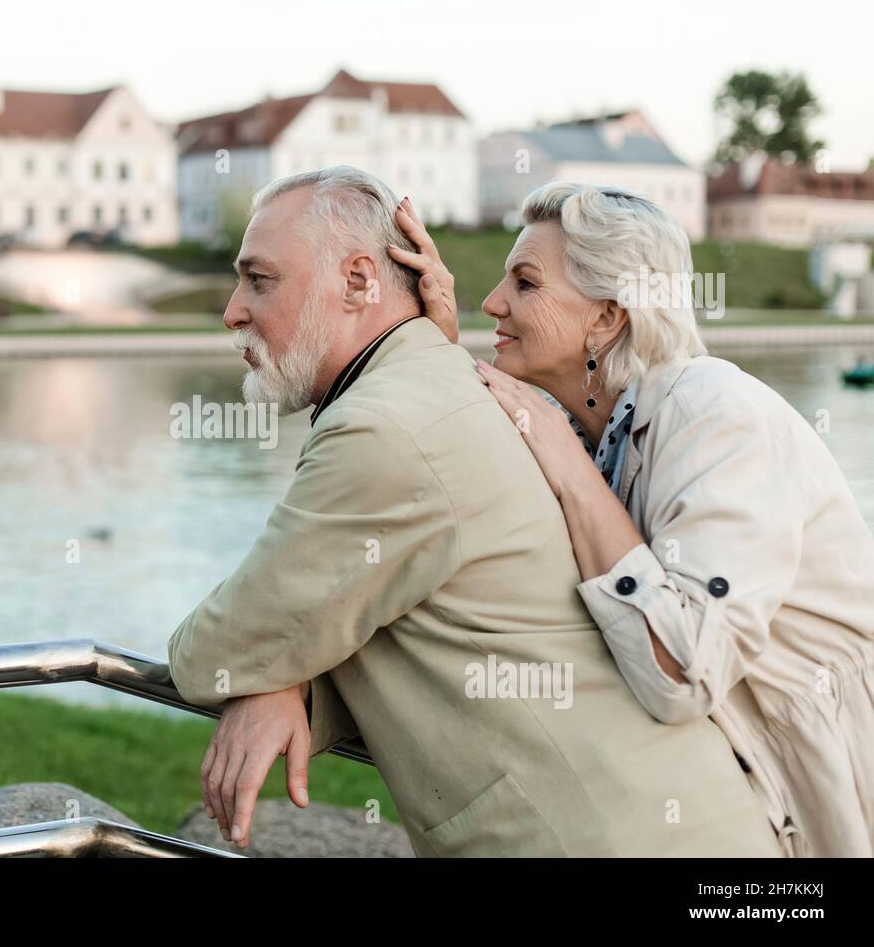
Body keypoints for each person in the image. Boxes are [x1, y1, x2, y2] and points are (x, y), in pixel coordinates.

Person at [166, 166, 781, 857]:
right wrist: (281, 673)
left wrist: (269, 669)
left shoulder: (388, 424)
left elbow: (213, 652)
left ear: (362, 281)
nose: (233, 310)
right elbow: (359, 611)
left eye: (259, 279)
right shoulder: (446, 390)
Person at [391, 181, 874, 857]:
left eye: (524, 283)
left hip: (823, 790)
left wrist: (566, 463)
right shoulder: (589, 429)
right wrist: (434, 347)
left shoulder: (716, 414)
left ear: (608, 318)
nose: (492, 303)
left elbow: (681, 671)